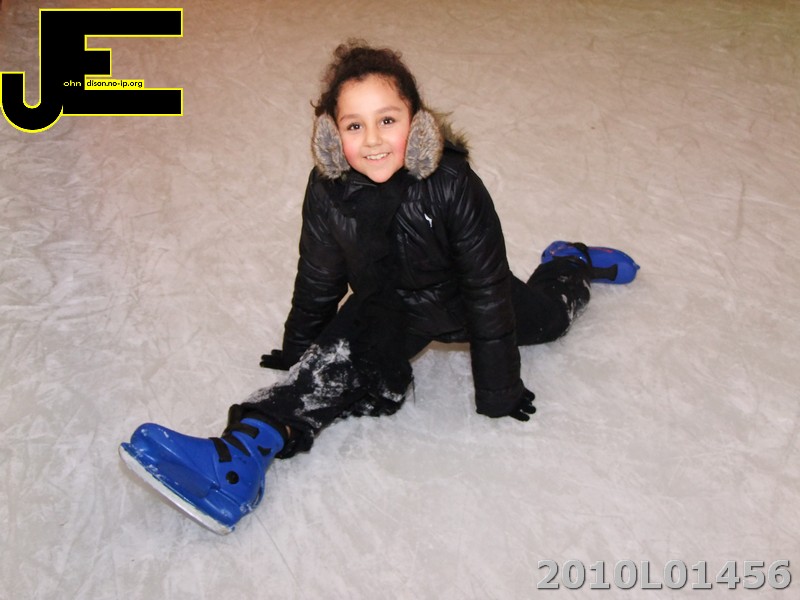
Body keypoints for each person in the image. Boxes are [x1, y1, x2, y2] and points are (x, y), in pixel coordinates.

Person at [119, 40, 639, 534]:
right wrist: (300, 352)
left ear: (416, 122)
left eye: (387, 120)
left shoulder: (453, 184)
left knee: (551, 321)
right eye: (354, 125)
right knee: (329, 370)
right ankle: (237, 459)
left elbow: (486, 288)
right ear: (332, 135)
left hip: (465, 299)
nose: (372, 140)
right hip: (388, 307)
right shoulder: (328, 189)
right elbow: (319, 276)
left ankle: (569, 261)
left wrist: (499, 390)